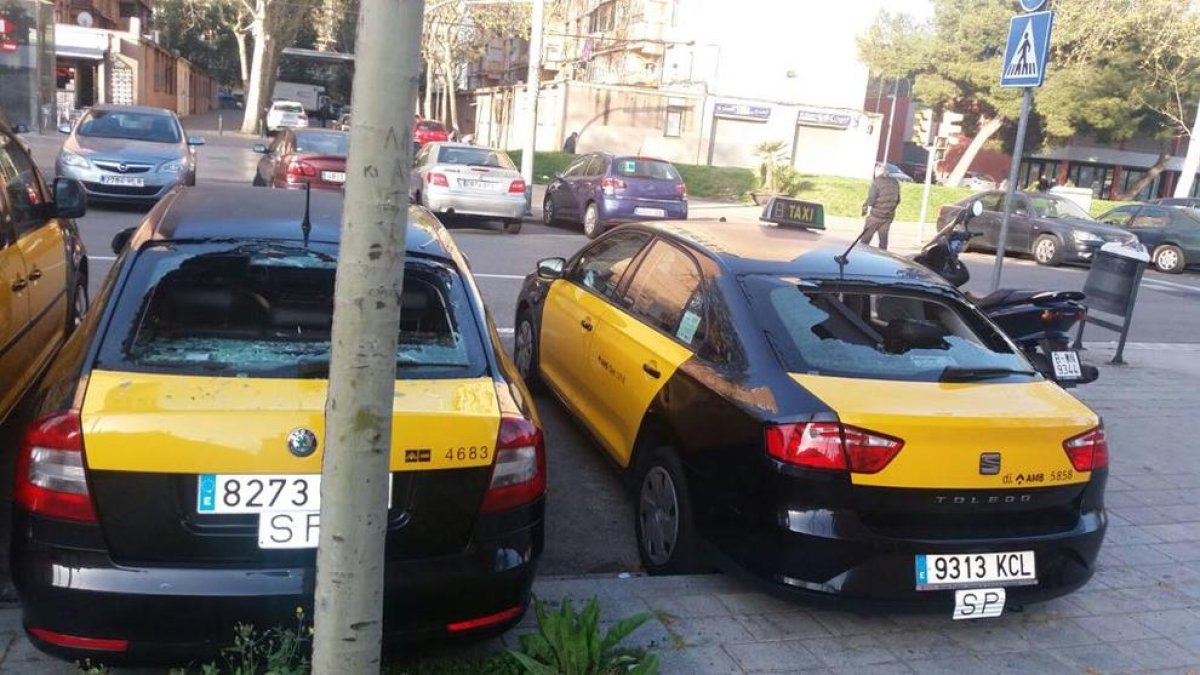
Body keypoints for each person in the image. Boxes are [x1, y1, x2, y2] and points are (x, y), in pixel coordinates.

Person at [861, 162, 901, 250]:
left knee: (865, 239)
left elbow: (871, 199)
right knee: (883, 241)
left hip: (876, 215)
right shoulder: (896, 183)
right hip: (888, 217)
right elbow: (898, 200)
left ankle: (860, 255)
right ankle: (883, 256)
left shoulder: (877, 182)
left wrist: (865, 208)